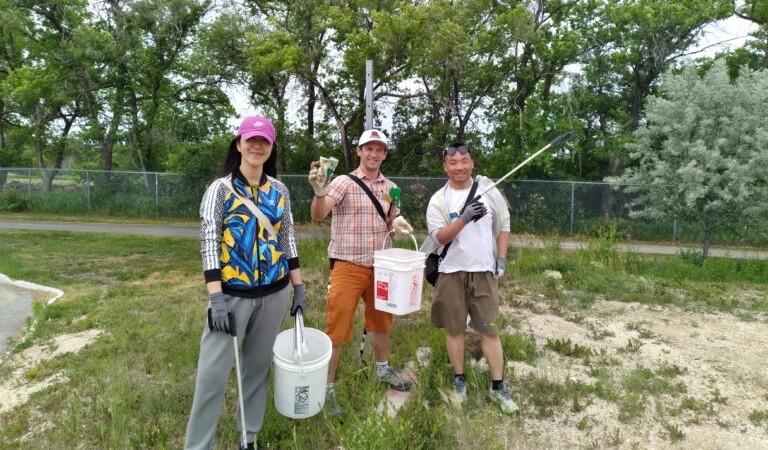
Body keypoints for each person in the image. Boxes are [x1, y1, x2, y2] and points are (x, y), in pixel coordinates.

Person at [185, 116, 306, 450]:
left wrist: (298, 287)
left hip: (275, 292)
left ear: (272, 148)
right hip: (231, 296)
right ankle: (199, 444)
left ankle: (248, 436)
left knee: (256, 369)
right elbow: (209, 244)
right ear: (238, 143)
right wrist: (217, 299)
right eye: (250, 139)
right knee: (212, 375)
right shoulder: (219, 190)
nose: (257, 146)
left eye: (264, 141)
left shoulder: (279, 191)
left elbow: (287, 239)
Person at [307, 129, 415, 416]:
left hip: (383, 266)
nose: (374, 154)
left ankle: (382, 370)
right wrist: (319, 193)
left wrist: (400, 222)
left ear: (384, 154)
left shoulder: (392, 186)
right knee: (337, 328)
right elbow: (318, 215)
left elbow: (393, 218)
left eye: (379, 150)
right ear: (359, 151)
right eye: (369, 148)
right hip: (347, 265)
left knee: (382, 322)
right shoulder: (343, 182)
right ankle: (327, 389)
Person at [425, 142, 518, 414]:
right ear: (445, 167)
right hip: (450, 273)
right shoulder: (438, 200)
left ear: (472, 163)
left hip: (484, 272)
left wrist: (500, 257)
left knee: (489, 330)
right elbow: (439, 237)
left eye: (464, 161)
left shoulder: (488, 191)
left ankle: (497, 386)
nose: (459, 167)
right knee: (455, 330)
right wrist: (463, 219)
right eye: (453, 163)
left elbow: (504, 224)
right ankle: (458, 380)